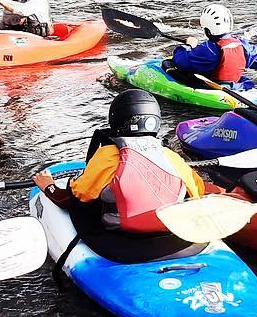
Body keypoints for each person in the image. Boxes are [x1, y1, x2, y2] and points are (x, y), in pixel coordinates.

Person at [33, 90, 205, 263]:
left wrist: (48, 185)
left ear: (116, 120)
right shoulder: (171, 156)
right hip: (171, 238)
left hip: (123, 241)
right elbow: (198, 192)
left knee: (81, 207)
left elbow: (70, 198)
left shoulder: (107, 155)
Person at [165, 3, 257, 88]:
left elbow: (180, 61)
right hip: (236, 87)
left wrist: (188, 46)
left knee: (168, 64)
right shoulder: (243, 45)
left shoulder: (208, 50)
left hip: (214, 88)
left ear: (208, 31)